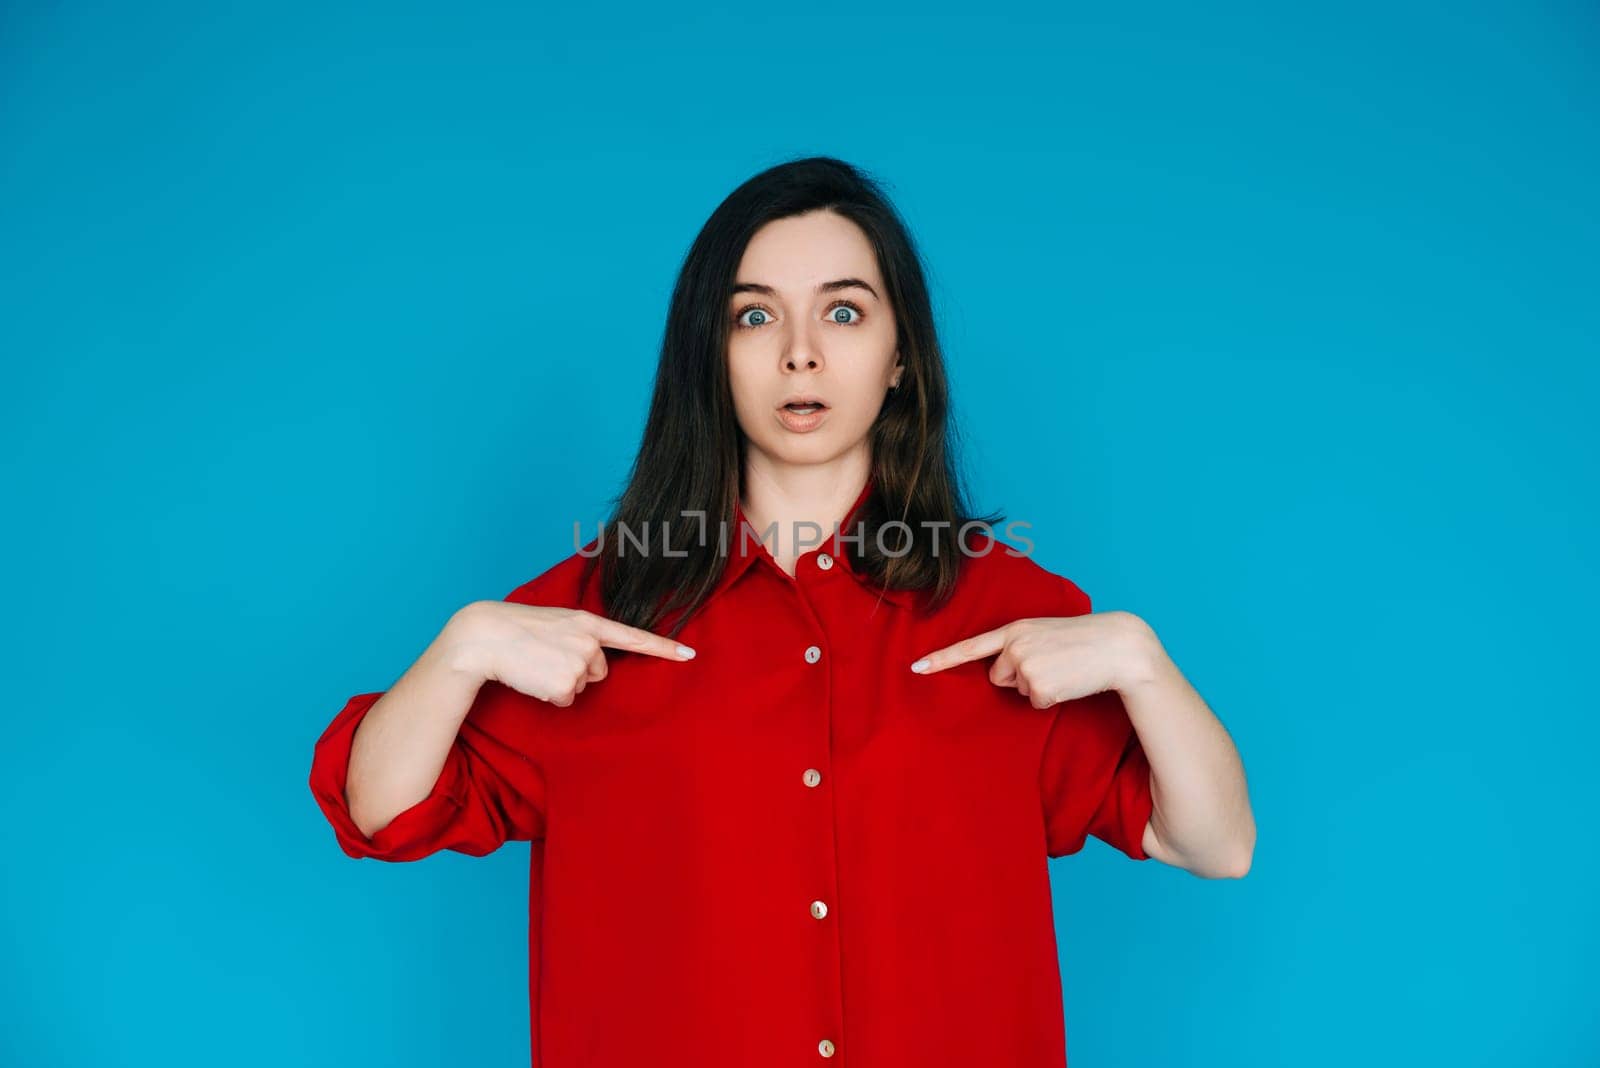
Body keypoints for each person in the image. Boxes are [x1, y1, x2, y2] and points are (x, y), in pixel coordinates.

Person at [308, 156, 1255, 1067]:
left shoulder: (1014, 615)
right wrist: (463, 645)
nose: (800, 352)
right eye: (754, 317)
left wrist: (1143, 661)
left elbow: (1213, 844)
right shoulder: (593, 613)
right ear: (708, 359)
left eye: (844, 312)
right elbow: (382, 809)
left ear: (899, 360)